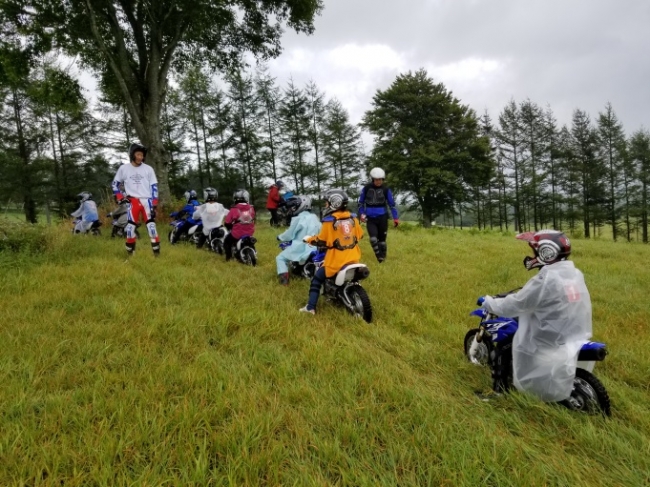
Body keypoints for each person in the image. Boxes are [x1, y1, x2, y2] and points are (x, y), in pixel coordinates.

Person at [479, 230, 592, 402]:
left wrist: (489, 302)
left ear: (546, 253)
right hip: (568, 327)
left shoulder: (546, 279)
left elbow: (516, 304)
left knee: (502, 346)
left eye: (534, 251)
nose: (531, 255)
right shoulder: (573, 274)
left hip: (548, 334)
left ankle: (498, 393)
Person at [299, 189, 364, 314]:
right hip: (353, 258)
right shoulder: (353, 219)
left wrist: (309, 239)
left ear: (335, 203)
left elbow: (321, 241)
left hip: (336, 261)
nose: (325, 205)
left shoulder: (329, 221)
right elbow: (360, 235)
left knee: (317, 279)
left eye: (327, 203)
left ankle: (310, 307)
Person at [111, 143, 160, 256]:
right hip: (132, 201)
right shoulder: (124, 169)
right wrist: (120, 197)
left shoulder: (148, 169)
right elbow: (115, 184)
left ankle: (157, 255)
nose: (140, 157)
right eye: (138, 155)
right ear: (132, 155)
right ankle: (131, 255)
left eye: (142, 155)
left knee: (152, 228)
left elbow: (154, 187)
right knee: (129, 230)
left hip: (147, 201)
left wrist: (154, 204)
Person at [275, 195, 322, 285]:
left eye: (294, 207)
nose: (292, 209)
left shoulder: (299, 218)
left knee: (280, 258)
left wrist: (280, 237)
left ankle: (284, 280)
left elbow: (290, 234)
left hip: (301, 246)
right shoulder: (314, 217)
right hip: (315, 246)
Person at [358, 167, 399, 263]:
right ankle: (379, 257)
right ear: (373, 179)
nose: (378, 182)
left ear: (383, 179)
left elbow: (392, 205)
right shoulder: (367, 188)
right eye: (376, 180)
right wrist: (362, 214)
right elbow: (360, 203)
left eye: (380, 180)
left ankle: (383, 257)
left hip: (382, 218)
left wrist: (395, 218)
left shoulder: (386, 189)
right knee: (373, 239)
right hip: (370, 218)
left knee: (382, 241)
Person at [224, 189, 256, 261]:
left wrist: (230, 227)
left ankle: (228, 258)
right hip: (250, 232)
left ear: (235, 198)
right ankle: (254, 251)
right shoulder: (251, 208)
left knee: (227, 242)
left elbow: (227, 222)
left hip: (237, 233)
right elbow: (253, 218)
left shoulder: (234, 209)